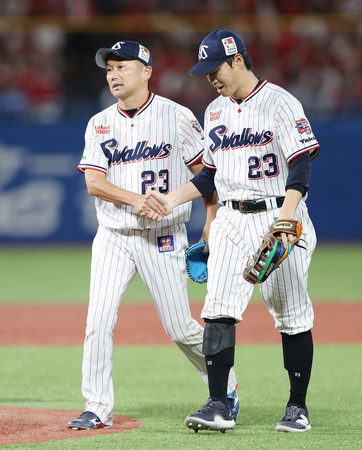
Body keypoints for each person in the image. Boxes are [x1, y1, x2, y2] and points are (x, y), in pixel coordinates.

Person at [145, 29, 320, 433]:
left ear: (238, 60)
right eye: (205, 73)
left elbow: (301, 164)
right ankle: (218, 404)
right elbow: (209, 174)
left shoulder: (280, 102)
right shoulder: (216, 111)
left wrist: (287, 218)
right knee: (218, 308)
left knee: (292, 314)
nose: (211, 79)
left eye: (215, 69)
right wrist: (171, 200)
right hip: (231, 219)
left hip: (279, 213)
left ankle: (297, 407)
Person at [67, 39, 239, 430]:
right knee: (98, 320)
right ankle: (97, 405)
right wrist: (137, 200)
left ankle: (225, 388)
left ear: (146, 71)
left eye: (122, 67)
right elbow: (94, 183)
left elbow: (206, 174)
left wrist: (210, 220)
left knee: (179, 327)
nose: (113, 74)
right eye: (109, 68)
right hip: (113, 235)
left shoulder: (176, 117)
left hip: (164, 234)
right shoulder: (99, 123)